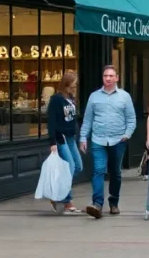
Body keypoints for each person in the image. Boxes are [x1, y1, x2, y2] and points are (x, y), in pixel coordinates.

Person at [79, 65, 136, 218]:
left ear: (117, 78)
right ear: (103, 78)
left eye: (111, 76)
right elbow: (87, 120)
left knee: (115, 173)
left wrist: (127, 134)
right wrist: (83, 137)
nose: (108, 78)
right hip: (98, 140)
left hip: (118, 140)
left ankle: (114, 202)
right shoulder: (94, 97)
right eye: (105, 76)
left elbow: (131, 119)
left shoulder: (125, 96)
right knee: (98, 170)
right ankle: (97, 204)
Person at [47, 71, 83, 214]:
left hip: (71, 137)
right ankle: (67, 201)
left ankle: (56, 191)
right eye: (73, 86)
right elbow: (51, 122)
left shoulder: (71, 99)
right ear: (66, 85)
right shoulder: (56, 99)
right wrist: (53, 142)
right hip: (61, 138)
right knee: (70, 167)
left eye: (76, 86)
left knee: (78, 167)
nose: (75, 88)